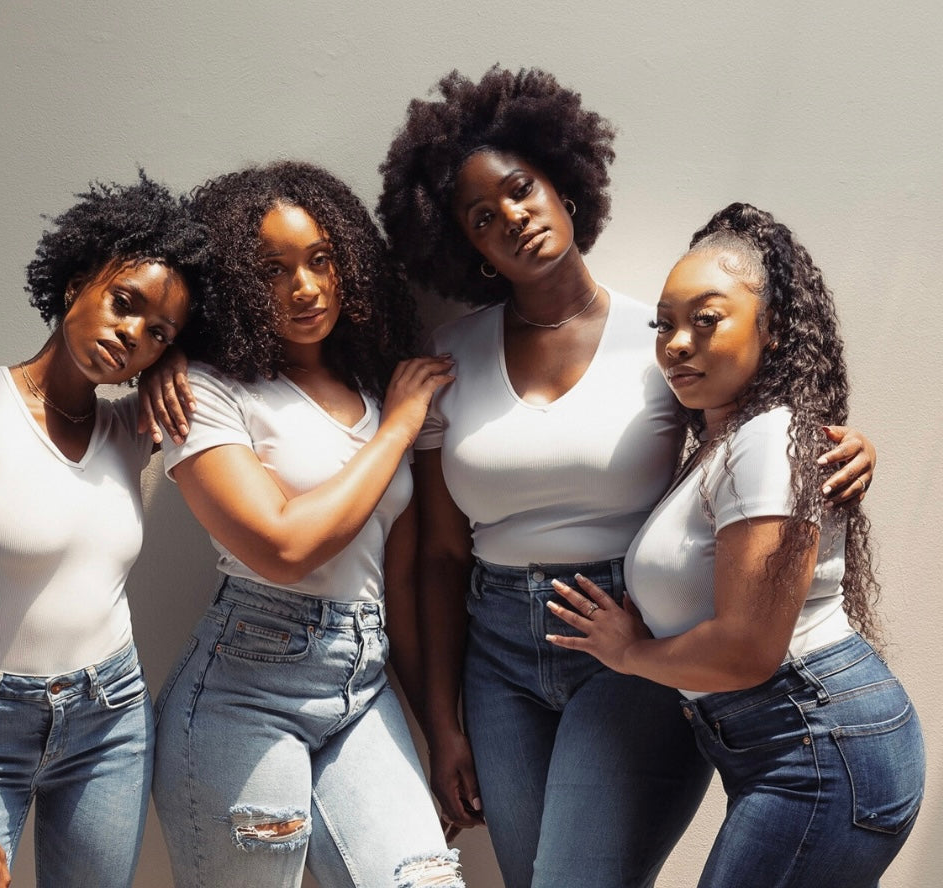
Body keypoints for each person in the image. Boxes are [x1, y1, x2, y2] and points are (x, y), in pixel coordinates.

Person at [376, 66, 878, 888]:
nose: (513, 219)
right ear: (464, 246)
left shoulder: (665, 337)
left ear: (563, 186)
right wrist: (441, 721)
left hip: (628, 635)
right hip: (494, 653)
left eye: (522, 190)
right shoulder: (450, 360)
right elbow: (438, 555)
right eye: (481, 218)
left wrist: (848, 450)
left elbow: (767, 424)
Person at [547, 202, 924, 887]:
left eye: (706, 319)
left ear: (772, 327)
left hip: (820, 750)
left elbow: (748, 648)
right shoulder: (729, 441)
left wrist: (630, 653)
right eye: (664, 324)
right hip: (803, 742)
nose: (677, 342)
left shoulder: (763, 444)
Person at [0, 173, 210, 888]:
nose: (132, 335)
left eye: (157, 332)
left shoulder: (133, 429)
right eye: (123, 304)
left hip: (111, 723)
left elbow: (239, 371)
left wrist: (182, 357)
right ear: (75, 284)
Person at [150, 160, 464, 888]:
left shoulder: (373, 386)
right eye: (272, 270)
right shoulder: (205, 392)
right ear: (232, 283)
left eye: (321, 260)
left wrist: (439, 727)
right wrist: (397, 431)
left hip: (366, 680)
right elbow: (283, 546)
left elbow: (403, 578)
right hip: (243, 690)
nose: (305, 287)